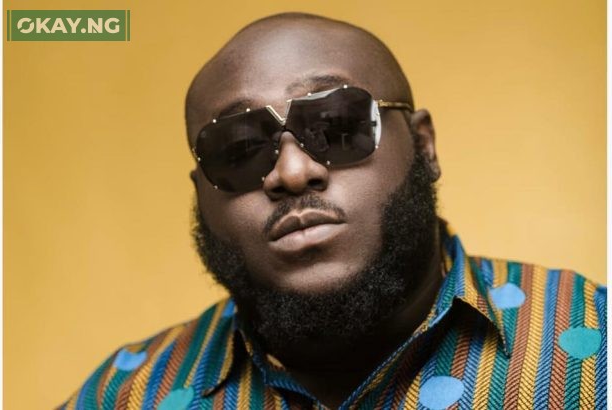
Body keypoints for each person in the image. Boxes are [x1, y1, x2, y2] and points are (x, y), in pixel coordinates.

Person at [60, 13, 606, 409]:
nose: (293, 172)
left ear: (424, 146)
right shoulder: (123, 396)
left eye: (338, 125)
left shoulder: (594, 342)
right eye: (240, 149)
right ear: (201, 194)